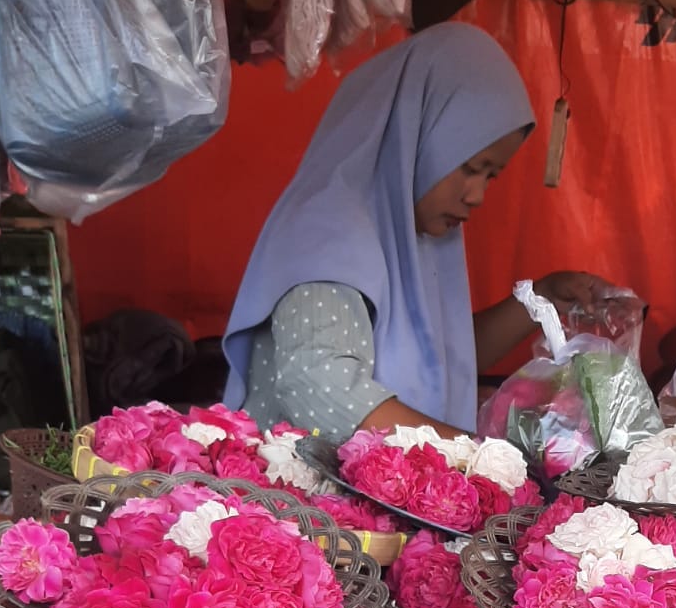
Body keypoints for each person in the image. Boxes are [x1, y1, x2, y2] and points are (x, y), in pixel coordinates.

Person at [223, 25, 602, 443]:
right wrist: (470, 458)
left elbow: (443, 358)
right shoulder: (329, 228)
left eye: (490, 176)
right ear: (416, 134)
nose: (476, 195)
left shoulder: (409, 231)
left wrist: (541, 297)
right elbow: (320, 385)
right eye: (469, 168)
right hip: (298, 500)